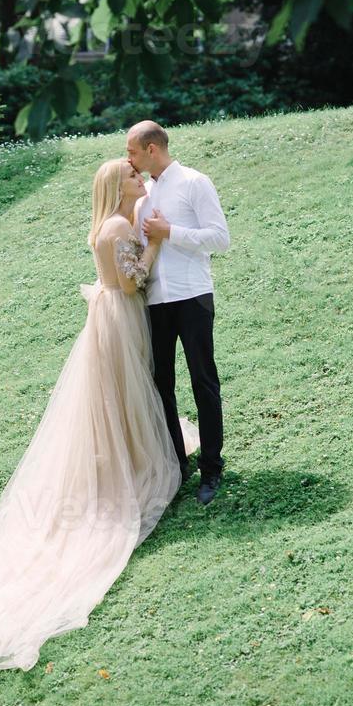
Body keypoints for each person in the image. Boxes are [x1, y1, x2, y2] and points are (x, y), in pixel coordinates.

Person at [0, 158, 198, 677]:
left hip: (111, 318)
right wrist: (154, 244)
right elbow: (131, 285)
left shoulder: (112, 224)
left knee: (120, 400)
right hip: (119, 317)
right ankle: (129, 467)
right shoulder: (117, 227)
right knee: (122, 395)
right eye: (132, 177)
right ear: (116, 187)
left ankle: (130, 454)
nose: (139, 180)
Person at [126, 121, 230, 506]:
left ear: (152, 149)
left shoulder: (194, 182)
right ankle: (176, 466)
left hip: (193, 295)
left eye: (132, 151)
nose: (129, 159)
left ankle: (212, 468)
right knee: (161, 384)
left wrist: (171, 232)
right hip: (156, 302)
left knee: (204, 379)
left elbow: (221, 237)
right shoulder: (143, 195)